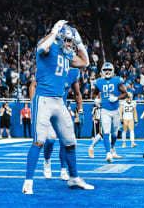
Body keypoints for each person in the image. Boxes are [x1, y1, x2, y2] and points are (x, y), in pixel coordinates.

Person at [22, 20, 93, 194]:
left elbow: (85, 62)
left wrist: (80, 42)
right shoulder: (48, 47)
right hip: (44, 100)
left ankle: (74, 178)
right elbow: (40, 48)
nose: (69, 44)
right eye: (67, 40)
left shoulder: (66, 54)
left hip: (59, 102)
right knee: (39, 141)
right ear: (59, 38)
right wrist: (54, 31)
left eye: (70, 41)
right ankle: (28, 182)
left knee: (70, 142)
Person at [93, 62, 128, 163]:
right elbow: (95, 93)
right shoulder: (99, 82)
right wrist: (97, 99)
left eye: (109, 70)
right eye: (105, 70)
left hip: (116, 110)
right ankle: (108, 153)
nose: (107, 72)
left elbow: (125, 93)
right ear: (102, 71)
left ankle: (112, 147)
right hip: (104, 109)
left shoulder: (117, 80)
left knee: (114, 133)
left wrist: (117, 98)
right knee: (106, 131)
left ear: (112, 71)